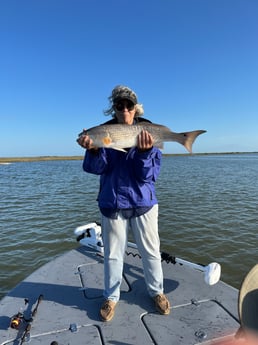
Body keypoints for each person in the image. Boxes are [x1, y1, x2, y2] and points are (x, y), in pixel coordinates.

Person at [77, 85, 170, 322]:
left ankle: (157, 291)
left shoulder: (149, 131)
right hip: (113, 202)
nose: (125, 109)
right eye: (120, 105)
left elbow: (149, 176)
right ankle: (111, 297)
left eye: (129, 105)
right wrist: (95, 150)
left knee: (150, 252)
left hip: (143, 201)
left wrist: (144, 152)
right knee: (112, 254)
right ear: (115, 108)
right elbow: (95, 168)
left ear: (135, 108)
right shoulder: (104, 132)